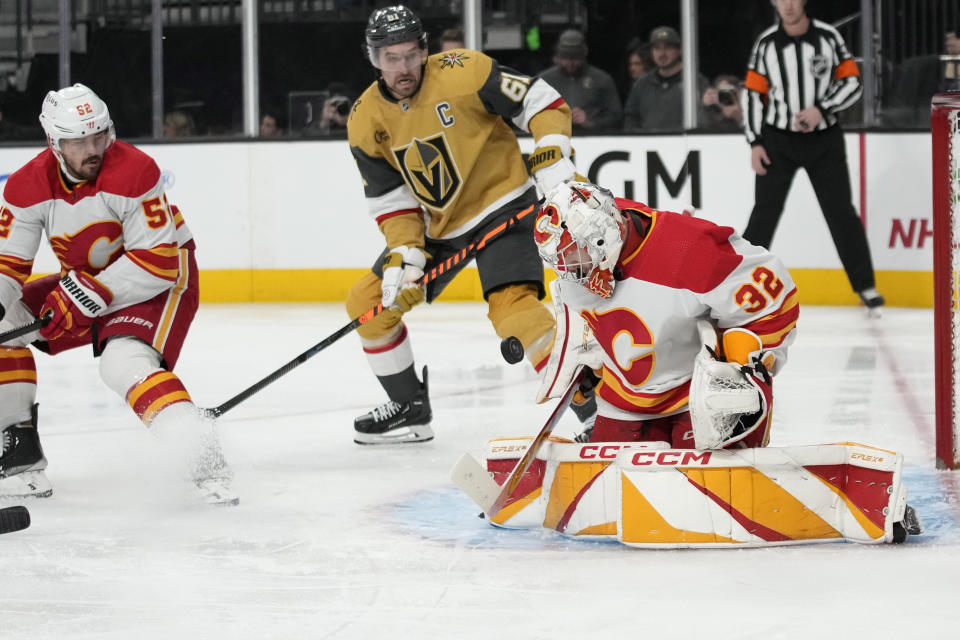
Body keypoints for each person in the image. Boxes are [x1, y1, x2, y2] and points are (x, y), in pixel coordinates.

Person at [345, 5, 582, 445]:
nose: (402, 68)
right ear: (373, 58)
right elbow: (391, 199)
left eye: (410, 55)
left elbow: (540, 100)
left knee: (516, 315)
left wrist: (550, 151)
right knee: (367, 303)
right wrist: (406, 252)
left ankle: (599, 412)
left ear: (424, 50)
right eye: (390, 58)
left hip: (504, 207)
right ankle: (409, 407)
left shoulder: (465, 70)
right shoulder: (364, 121)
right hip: (441, 228)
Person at [0, 84, 234, 504]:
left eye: (98, 136)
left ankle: (201, 458)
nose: (93, 149)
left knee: (122, 361)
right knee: (6, 322)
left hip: (158, 280)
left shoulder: (134, 169)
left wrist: (91, 291)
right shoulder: (25, 187)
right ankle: (19, 456)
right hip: (90, 282)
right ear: (54, 142)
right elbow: (7, 268)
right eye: (78, 141)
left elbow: (158, 259)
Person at [534, 180, 798, 448]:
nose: (567, 268)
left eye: (573, 254)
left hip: (697, 398)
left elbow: (772, 294)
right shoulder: (584, 252)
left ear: (602, 235)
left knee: (717, 485)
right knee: (609, 487)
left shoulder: (687, 248)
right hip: (622, 403)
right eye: (559, 259)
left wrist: (741, 364)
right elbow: (585, 313)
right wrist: (588, 358)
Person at [743, 0, 884, 311]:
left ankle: (865, 286)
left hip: (824, 140)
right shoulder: (766, 45)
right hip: (777, 140)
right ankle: (738, 283)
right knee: (765, 212)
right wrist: (755, 142)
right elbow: (753, 95)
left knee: (840, 212)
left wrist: (822, 109)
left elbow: (853, 82)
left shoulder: (828, 37)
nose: (789, 5)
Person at [623, 26, 710, 131]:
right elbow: (630, 118)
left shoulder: (696, 81)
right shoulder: (641, 84)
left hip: (683, 144)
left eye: (668, 48)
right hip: (648, 145)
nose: (662, 53)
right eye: (657, 48)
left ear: (680, 50)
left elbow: (707, 120)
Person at [538, 29, 622, 132]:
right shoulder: (544, 80)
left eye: (575, 58)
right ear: (558, 56)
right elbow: (529, 113)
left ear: (584, 55)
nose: (571, 63)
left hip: (592, 139)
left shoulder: (602, 80)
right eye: (565, 58)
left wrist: (590, 122)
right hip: (553, 137)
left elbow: (616, 117)